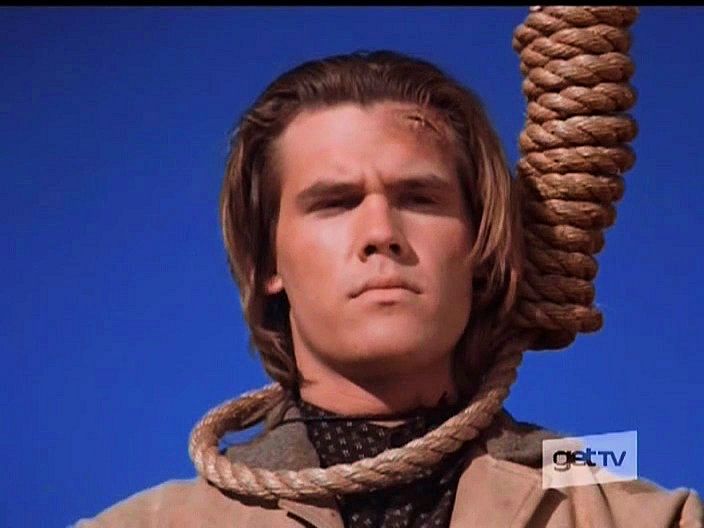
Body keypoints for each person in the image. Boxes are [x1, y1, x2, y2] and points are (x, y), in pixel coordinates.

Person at [73, 50, 703, 528]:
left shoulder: (633, 516)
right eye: (335, 203)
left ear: (479, 246)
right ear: (268, 261)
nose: (381, 233)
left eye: (419, 198)